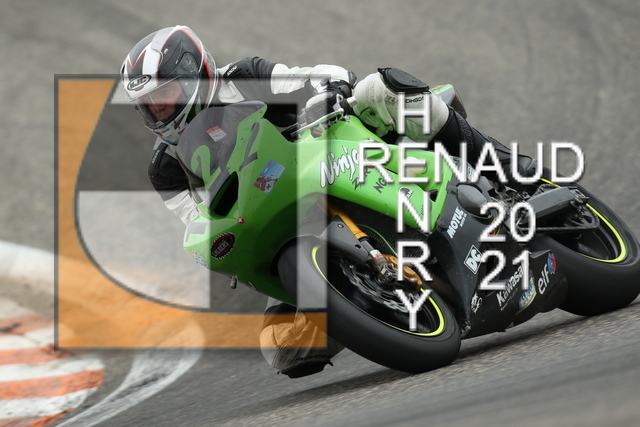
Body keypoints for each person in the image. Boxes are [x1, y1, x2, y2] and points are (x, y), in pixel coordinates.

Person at [120, 25, 534, 378]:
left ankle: (512, 170)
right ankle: (373, 299)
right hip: (277, 218)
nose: (160, 110)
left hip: (335, 151)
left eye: (166, 93)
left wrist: (329, 92)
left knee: (380, 88)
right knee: (284, 347)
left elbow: (323, 76)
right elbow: (200, 221)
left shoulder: (243, 77)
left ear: (196, 73)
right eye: (149, 106)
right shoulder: (166, 170)